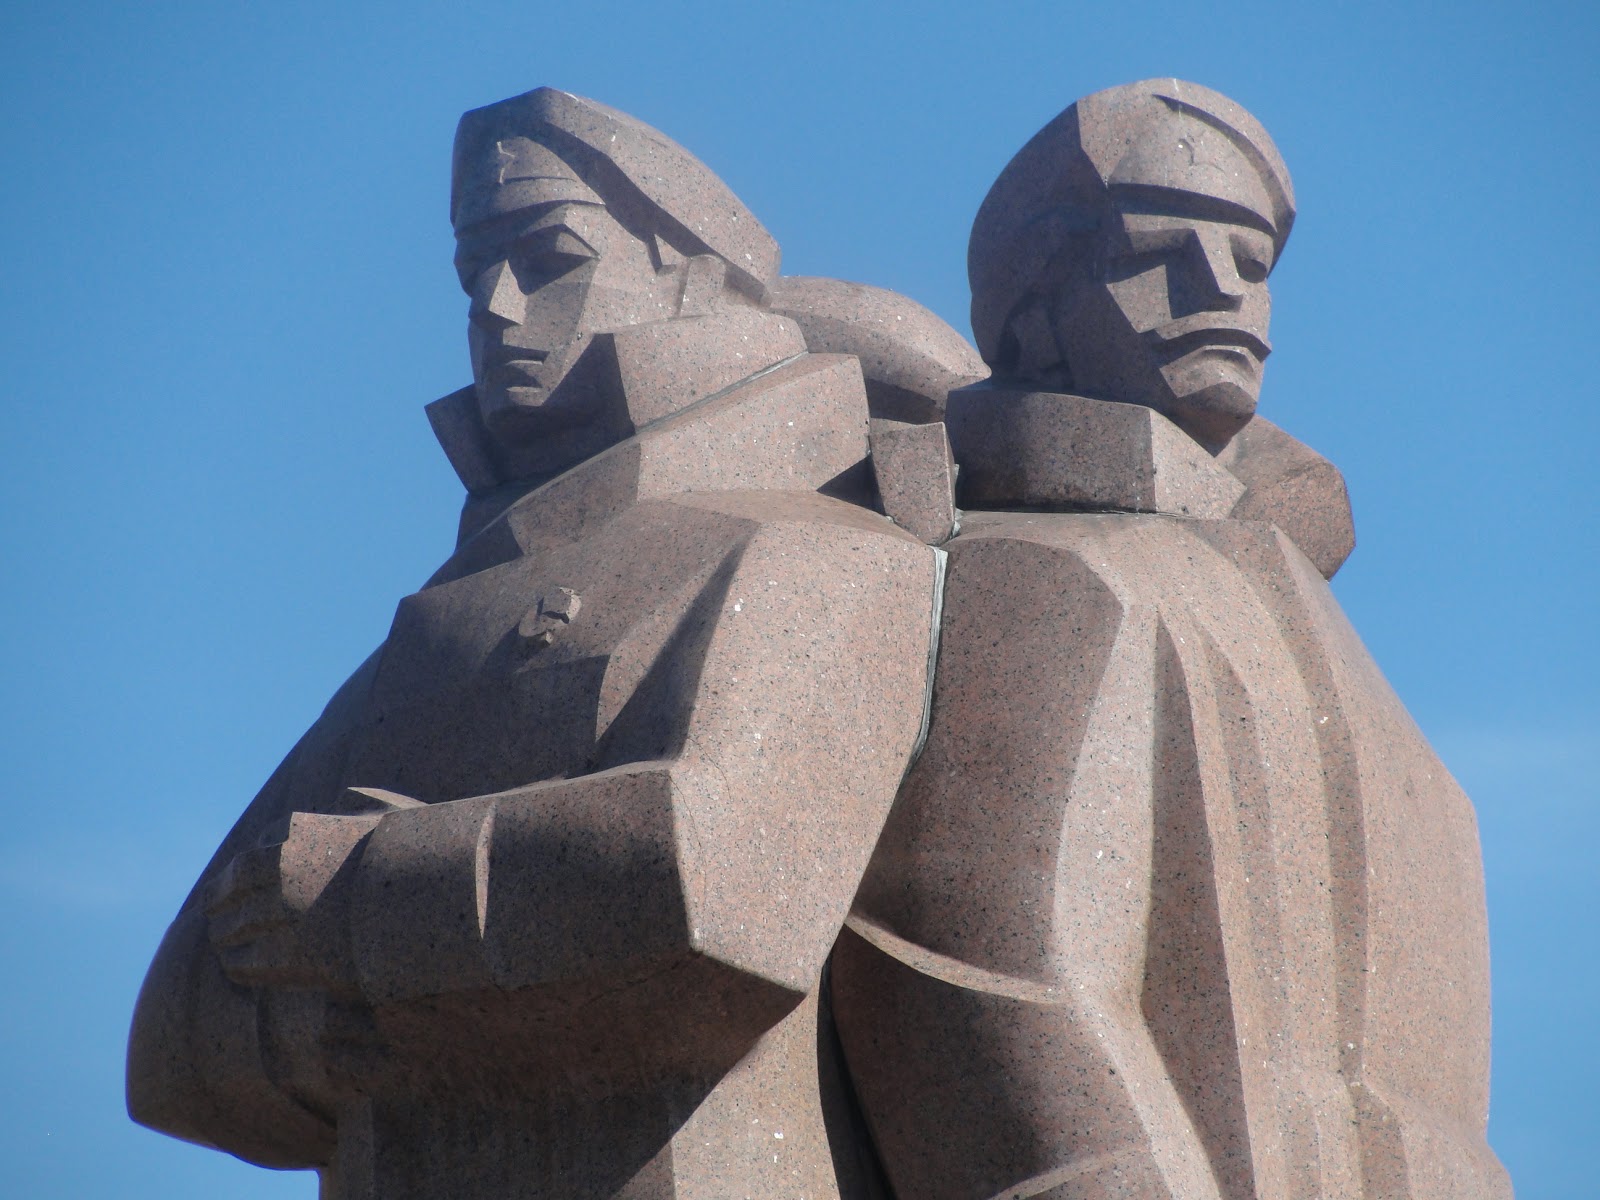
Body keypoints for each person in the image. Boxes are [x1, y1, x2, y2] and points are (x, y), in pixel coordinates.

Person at [128, 88, 947, 1200]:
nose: (497, 307)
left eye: (551, 257)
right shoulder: (447, 615)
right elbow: (173, 1031)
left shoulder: (814, 547)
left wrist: (360, 902)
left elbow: (719, 891)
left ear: (696, 276)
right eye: (475, 271)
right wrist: (326, 1034)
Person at [830, 80, 1513, 1200]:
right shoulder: (1032, 570)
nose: (1221, 288)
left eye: (1250, 259)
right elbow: (989, 974)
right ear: (1032, 313)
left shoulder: (1294, 602)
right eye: (1159, 250)